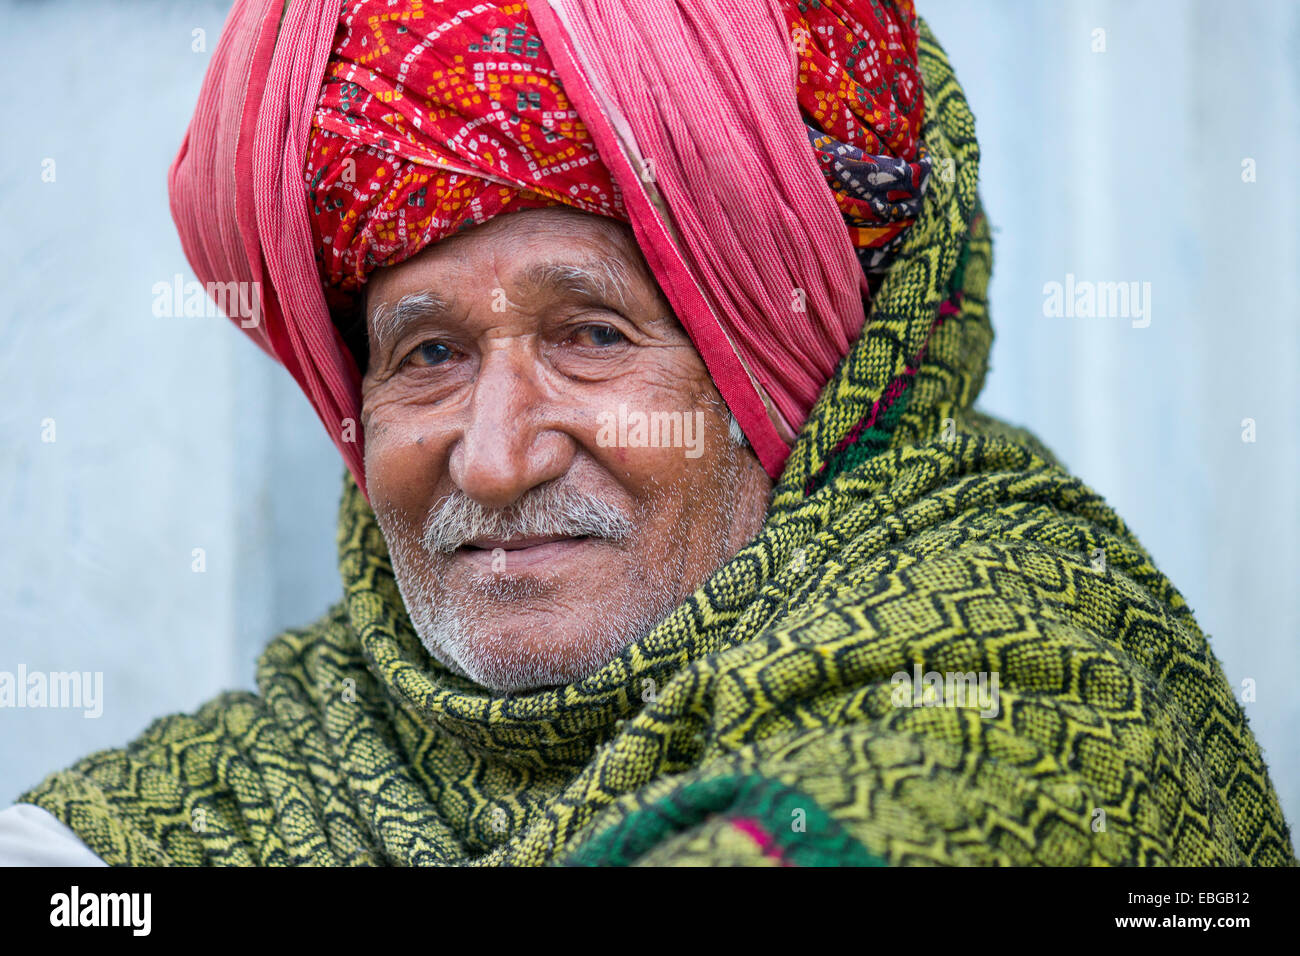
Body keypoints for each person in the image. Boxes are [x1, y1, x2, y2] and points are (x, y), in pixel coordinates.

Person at [3, 0, 1293, 866]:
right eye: (429, 354)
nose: (497, 457)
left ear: (800, 377)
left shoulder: (1024, 682)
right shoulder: (308, 749)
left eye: (596, 336)